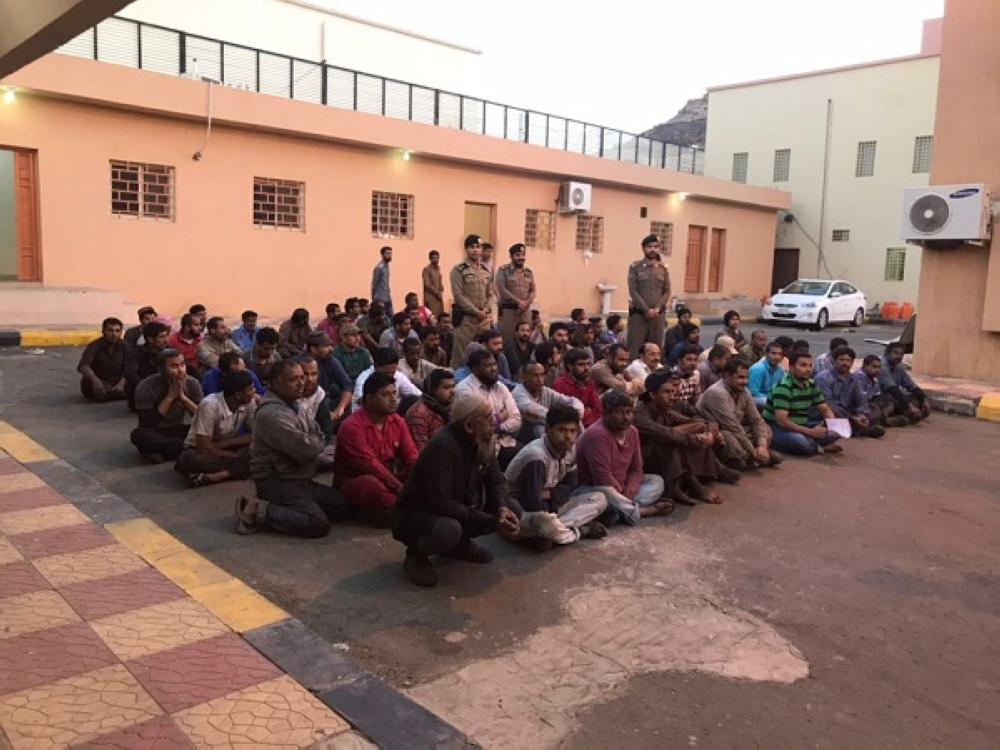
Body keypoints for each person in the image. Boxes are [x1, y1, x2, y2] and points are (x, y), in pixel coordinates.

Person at [392, 389, 520, 587]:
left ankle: (457, 546)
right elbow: (441, 503)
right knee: (449, 529)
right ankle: (416, 554)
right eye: (488, 418)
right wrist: (491, 520)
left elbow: (495, 481)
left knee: (512, 509)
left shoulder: (483, 440)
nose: (494, 422)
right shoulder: (443, 446)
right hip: (419, 514)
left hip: (460, 505)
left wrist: (502, 509)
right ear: (469, 426)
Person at [235, 360, 353, 537]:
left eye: (302, 378)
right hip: (277, 481)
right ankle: (258, 508)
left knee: (343, 506)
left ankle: (295, 507)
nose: (301, 383)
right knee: (318, 524)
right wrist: (313, 442)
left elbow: (319, 433)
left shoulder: (296, 405)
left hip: (300, 478)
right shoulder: (272, 414)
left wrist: (313, 442)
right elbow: (308, 449)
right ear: (276, 383)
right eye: (293, 379)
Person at [504, 405, 610, 550]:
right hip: (522, 508)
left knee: (600, 498)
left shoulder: (570, 448)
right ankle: (580, 530)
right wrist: (555, 500)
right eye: (562, 430)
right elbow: (532, 502)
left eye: (573, 431)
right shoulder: (536, 456)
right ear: (548, 430)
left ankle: (545, 533)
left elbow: (572, 483)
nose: (568, 436)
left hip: (551, 503)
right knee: (545, 523)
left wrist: (551, 494)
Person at [636, 371, 739, 505]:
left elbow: (690, 420)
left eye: (673, 392)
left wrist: (710, 428)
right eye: (666, 392)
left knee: (695, 429)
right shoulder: (640, 415)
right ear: (652, 395)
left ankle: (700, 477)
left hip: (661, 452)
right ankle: (686, 486)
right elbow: (666, 434)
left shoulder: (662, 409)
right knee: (674, 441)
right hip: (643, 461)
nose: (672, 396)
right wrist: (698, 439)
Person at [572, 389, 671, 525]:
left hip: (622, 488)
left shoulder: (632, 431)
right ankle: (644, 511)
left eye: (629, 412)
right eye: (619, 412)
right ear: (606, 413)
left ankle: (619, 510)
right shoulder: (598, 435)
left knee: (656, 481)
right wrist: (619, 494)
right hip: (594, 488)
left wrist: (628, 493)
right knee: (606, 493)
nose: (626, 417)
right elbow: (602, 478)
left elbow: (636, 469)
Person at [334, 372, 419, 522]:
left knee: (421, 470)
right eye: (385, 394)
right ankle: (403, 509)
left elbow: (411, 456)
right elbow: (371, 466)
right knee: (370, 484)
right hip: (357, 481)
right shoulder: (352, 427)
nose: (393, 399)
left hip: (390, 478)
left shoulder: (397, 421)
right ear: (369, 399)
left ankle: (397, 509)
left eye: (394, 393)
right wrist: (402, 490)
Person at [698, 358, 782, 470]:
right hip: (721, 429)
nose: (745, 381)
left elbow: (756, 419)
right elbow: (733, 427)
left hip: (739, 428)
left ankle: (757, 455)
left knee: (765, 427)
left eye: (747, 377)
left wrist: (763, 446)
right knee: (727, 437)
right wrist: (753, 452)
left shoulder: (744, 391)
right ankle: (752, 457)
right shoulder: (717, 393)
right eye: (741, 377)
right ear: (727, 376)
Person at [176, 370, 256, 488]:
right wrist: (234, 456)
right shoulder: (210, 405)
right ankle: (239, 469)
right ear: (238, 395)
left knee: (261, 451)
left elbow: (255, 435)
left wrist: (226, 443)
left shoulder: (249, 402)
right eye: (251, 389)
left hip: (225, 446)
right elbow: (204, 447)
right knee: (189, 459)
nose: (254, 392)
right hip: (199, 450)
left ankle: (218, 476)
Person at [763, 351, 843, 456]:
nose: (808, 369)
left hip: (801, 424)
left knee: (837, 431)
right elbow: (782, 421)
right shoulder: (783, 387)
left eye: (810, 365)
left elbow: (824, 409)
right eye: (803, 365)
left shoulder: (811, 384)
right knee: (800, 442)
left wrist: (832, 424)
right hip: (777, 428)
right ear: (791, 368)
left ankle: (813, 444)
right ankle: (817, 446)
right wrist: (810, 432)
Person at [130, 349, 203, 461]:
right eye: (174, 366)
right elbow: (148, 423)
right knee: (138, 435)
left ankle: (164, 452)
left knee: (206, 431)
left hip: (178, 430)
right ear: (161, 369)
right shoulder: (145, 386)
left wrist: (183, 398)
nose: (180, 370)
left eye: (182, 365)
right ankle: (184, 448)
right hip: (156, 432)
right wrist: (170, 397)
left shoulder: (192, 383)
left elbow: (203, 417)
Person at [453, 349, 522, 467]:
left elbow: (516, 419)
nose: (493, 369)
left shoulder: (500, 387)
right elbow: (477, 425)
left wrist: (498, 427)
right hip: (477, 445)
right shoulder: (465, 390)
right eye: (487, 366)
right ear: (475, 370)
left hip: (504, 440)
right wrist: (500, 417)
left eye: (494, 364)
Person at [816, 346, 886, 438]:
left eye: (848, 360)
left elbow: (861, 400)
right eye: (841, 360)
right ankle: (860, 430)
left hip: (849, 415)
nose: (845, 363)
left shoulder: (853, 378)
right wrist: (852, 417)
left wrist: (861, 414)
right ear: (833, 361)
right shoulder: (823, 377)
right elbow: (828, 403)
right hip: (829, 414)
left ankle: (856, 428)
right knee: (831, 419)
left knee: (876, 414)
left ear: (852, 362)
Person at [449, 234, 496, 368]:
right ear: (466, 249)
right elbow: (458, 295)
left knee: (485, 357)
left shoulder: (486, 271)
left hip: (483, 321)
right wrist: (476, 312)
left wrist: (487, 309)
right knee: (462, 357)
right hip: (466, 321)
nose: (475, 250)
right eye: (472, 247)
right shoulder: (458, 270)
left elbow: (490, 294)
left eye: (478, 247)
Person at [512, 362, 584, 441]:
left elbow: (571, 401)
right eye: (535, 375)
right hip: (523, 435)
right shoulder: (518, 393)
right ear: (524, 376)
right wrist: (567, 417)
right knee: (539, 427)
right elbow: (537, 412)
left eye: (542, 375)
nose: (540, 379)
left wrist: (576, 412)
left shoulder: (545, 391)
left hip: (548, 424)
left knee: (576, 422)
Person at [627, 234, 671, 358]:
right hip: (639, 315)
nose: (652, 249)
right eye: (649, 246)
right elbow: (633, 291)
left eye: (655, 247)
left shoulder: (663, 268)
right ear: (643, 248)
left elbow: (667, 291)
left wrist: (657, 308)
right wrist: (646, 309)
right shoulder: (635, 267)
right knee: (635, 349)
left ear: (659, 248)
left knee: (655, 350)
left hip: (657, 316)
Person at [305, 332, 354, 422]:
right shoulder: (299, 364)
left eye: (331, 345)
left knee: (346, 402)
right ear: (313, 349)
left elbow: (347, 385)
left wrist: (340, 409)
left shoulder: (330, 360)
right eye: (326, 346)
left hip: (324, 401)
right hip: (305, 404)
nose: (331, 349)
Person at [353, 347, 422, 411]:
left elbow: (418, 395)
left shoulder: (398, 376)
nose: (390, 376)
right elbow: (362, 401)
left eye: (392, 373)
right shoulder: (363, 378)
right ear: (376, 367)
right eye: (387, 373)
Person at [78, 317, 129, 402]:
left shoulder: (125, 345)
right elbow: (83, 366)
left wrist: (122, 383)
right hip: (101, 381)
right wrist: (95, 380)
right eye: (110, 330)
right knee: (88, 382)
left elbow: (131, 366)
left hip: (119, 381)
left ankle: (115, 393)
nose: (114, 334)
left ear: (121, 332)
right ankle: (114, 394)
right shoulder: (94, 345)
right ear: (103, 331)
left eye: (117, 331)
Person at [495, 243, 537, 343]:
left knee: (525, 341)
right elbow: (502, 290)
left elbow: (533, 290)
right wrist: (519, 302)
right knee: (508, 340)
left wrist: (528, 302)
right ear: (511, 256)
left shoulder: (528, 272)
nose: (521, 257)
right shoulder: (503, 271)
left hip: (525, 312)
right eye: (517, 255)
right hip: (509, 312)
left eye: (523, 255)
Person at [879, 342, 931, 423]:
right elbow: (893, 390)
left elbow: (911, 385)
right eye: (895, 353)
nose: (899, 356)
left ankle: (907, 414)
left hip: (894, 396)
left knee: (918, 398)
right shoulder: (881, 366)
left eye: (901, 354)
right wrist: (910, 407)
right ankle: (888, 419)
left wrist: (925, 400)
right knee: (892, 404)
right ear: (887, 353)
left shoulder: (899, 367)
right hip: (882, 397)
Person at [405, 368, 455, 451]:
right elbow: (421, 452)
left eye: (453, 386)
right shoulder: (418, 414)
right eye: (447, 387)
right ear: (433, 390)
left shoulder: (449, 408)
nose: (453, 391)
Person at [854, 354, 909, 429]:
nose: (877, 370)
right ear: (864, 366)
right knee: (873, 414)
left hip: (870, 406)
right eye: (874, 367)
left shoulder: (873, 378)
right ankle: (885, 421)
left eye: (879, 367)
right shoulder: (859, 377)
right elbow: (861, 400)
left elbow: (877, 397)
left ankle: (882, 420)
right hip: (858, 409)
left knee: (890, 403)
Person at [125, 321, 171, 409]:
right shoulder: (136, 354)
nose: (166, 340)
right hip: (143, 393)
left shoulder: (169, 351)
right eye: (162, 337)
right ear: (150, 339)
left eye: (167, 336)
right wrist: (148, 390)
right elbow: (132, 376)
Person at [552, 348, 602, 427]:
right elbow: (568, 415)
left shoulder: (589, 383)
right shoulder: (560, 384)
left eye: (588, 364)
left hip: (590, 426)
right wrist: (587, 412)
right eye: (581, 365)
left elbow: (598, 410)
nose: (586, 368)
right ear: (570, 366)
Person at [297, 355, 335, 446]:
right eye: (305, 374)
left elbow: (326, 428)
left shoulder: (319, 394)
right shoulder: (288, 394)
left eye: (314, 374)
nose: (310, 379)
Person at [748, 341, 787, 408]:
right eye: (773, 353)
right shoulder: (758, 369)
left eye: (780, 354)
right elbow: (753, 392)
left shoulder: (780, 370)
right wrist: (772, 399)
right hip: (754, 399)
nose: (777, 357)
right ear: (766, 354)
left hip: (771, 398)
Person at [168, 313, 205, 379]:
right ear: (187, 327)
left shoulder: (200, 339)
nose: (200, 328)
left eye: (200, 325)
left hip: (199, 372)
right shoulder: (173, 340)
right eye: (196, 325)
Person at [371, 245, 394, 318]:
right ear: (382, 254)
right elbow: (374, 283)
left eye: (390, 253)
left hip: (387, 296)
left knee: (391, 317)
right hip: (380, 298)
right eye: (387, 253)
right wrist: (374, 297)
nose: (389, 255)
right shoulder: (379, 267)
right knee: (382, 317)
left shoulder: (387, 266)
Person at [422, 249, 445, 318]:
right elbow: (427, 284)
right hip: (430, 297)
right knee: (432, 316)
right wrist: (436, 292)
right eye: (434, 258)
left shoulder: (438, 269)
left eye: (437, 258)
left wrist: (441, 290)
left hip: (438, 297)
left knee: (440, 316)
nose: (436, 260)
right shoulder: (426, 269)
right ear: (430, 259)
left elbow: (440, 282)